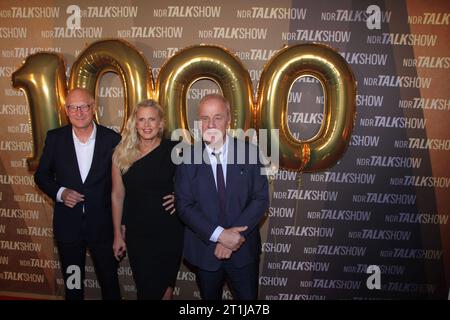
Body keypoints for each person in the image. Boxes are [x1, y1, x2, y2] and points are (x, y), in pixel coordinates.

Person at [175, 94, 269, 300]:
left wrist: (231, 238)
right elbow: (184, 206)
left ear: (228, 120)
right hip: (206, 252)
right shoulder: (187, 159)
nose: (211, 124)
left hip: (243, 252)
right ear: (198, 122)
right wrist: (219, 235)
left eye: (217, 117)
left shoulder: (251, 153)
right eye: (205, 118)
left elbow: (261, 198)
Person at [34, 88, 121, 300]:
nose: (79, 112)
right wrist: (61, 192)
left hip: (103, 228)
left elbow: (122, 187)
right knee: (73, 284)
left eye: (84, 106)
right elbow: (41, 175)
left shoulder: (112, 139)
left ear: (93, 108)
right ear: (66, 110)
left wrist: (122, 227)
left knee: (110, 283)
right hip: (68, 228)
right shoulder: (55, 138)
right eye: (73, 107)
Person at [111, 99, 184, 300]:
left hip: (168, 230)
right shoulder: (121, 153)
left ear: (161, 123)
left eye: (152, 119)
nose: (146, 125)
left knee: (165, 292)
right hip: (138, 233)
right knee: (145, 290)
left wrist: (181, 197)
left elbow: (195, 184)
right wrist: (117, 233)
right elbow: (117, 195)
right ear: (135, 123)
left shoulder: (177, 150)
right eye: (141, 119)